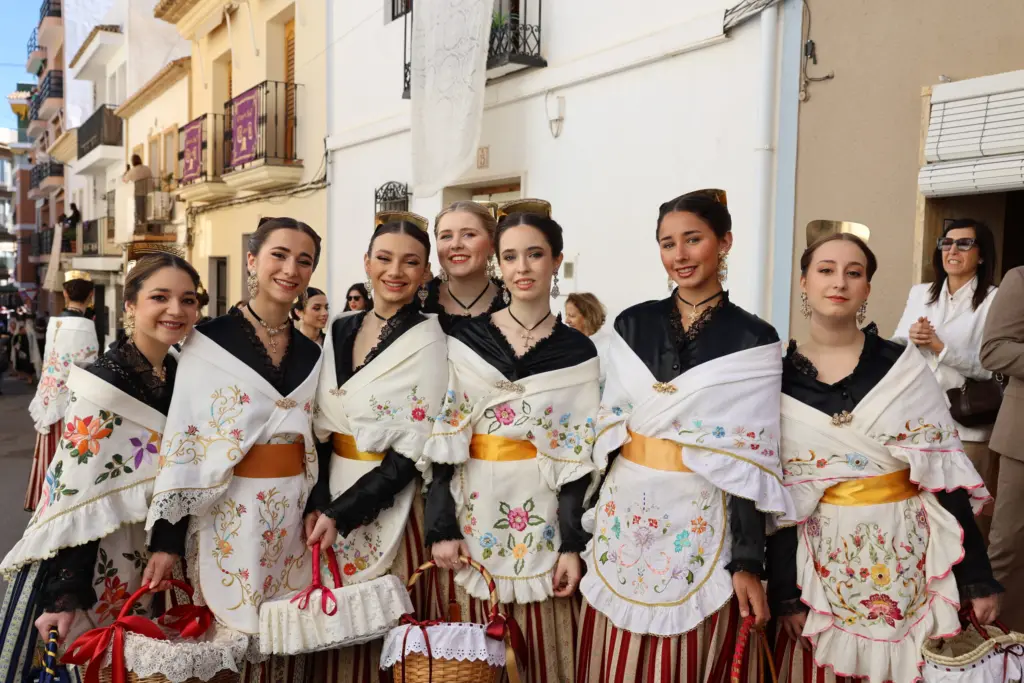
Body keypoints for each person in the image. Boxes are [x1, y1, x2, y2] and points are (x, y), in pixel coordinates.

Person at [767, 227, 1000, 683]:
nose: (839, 282)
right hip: (822, 567)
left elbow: (944, 477)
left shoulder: (903, 366)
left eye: (853, 273)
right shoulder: (776, 378)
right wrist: (785, 595)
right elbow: (782, 505)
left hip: (909, 561)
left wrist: (977, 579)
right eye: (826, 270)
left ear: (867, 289)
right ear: (804, 282)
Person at [577, 189, 791, 683]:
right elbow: (610, 423)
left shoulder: (753, 339)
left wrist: (747, 561)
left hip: (702, 510)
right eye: (667, 243)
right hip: (626, 506)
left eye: (693, 239)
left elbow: (748, 461)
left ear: (725, 242)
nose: (680, 255)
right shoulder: (632, 324)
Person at [0, 254, 200, 683]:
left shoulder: (180, 371)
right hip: (108, 550)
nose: (176, 310)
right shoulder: (104, 384)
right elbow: (78, 496)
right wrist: (65, 594)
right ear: (130, 304)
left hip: (165, 545)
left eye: (188, 300)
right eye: (160, 297)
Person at [425, 201, 600, 683]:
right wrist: (441, 525)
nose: (523, 267)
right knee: (468, 662)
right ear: (498, 263)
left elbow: (577, 459)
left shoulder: (579, 352)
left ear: (556, 260)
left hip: (544, 520)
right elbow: (444, 441)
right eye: (511, 256)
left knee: (541, 656)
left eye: (535, 254)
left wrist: (572, 544)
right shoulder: (465, 339)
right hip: (472, 513)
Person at [143, 217, 324, 683]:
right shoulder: (207, 342)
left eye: (304, 260)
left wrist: (318, 506)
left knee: (285, 637)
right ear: (252, 260)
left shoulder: (313, 353)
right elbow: (185, 441)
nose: (290, 269)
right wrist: (166, 540)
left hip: (292, 522)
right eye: (279, 255)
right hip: (226, 516)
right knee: (225, 644)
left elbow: (316, 439)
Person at [303, 211, 448, 683]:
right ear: (366, 262)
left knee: (386, 627)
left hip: (392, 498)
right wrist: (320, 500)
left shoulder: (431, 338)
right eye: (384, 258)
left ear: (426, 272)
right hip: (331, 490)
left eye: (411, 262)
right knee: (331, 621)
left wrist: (343, 511)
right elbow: (321, 430)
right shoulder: (339, 328)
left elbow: (413, 451)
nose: (395, 271)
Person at [892, 218, 999, 537]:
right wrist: (911, 338)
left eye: (964, 243)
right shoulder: (920, 293)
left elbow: (992, 367)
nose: (953, 250)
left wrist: (940, 348)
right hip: (918, 421)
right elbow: (895, 348)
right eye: (947, 243)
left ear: (981, 255)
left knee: (968, 519)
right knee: (919, 514)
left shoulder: (994, 299)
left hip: (967, 424)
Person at [25, 271, 99, 511]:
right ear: (90, 295)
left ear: (65, 293)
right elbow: (89, 367)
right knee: (70, 455)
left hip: (49, 395)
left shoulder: (53, 324)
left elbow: (49, 361)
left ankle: (43, 500)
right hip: (75, 401)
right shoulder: (88, 326)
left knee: (49, 449)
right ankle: (65, 504)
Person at [981, 264, 1024, 631]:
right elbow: (994, 350)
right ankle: (997, 644)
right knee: (1009, 547)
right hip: (1022, 444)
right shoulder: (1021, 278)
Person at [420, 200, 507, 332]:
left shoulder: (513, 302)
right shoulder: (418, 301)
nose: (456, 245)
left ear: (492, 245)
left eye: (469, 235)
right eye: (446, 236)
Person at [564, 292, 612, 392]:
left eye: (571, 316)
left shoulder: (608, 346)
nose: (566, 321)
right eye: (566, 315)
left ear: (588, 317)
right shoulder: (569, 345)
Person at [122, 154, 153, 225]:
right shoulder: (147, 169)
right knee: (148, 213)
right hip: (149, 194)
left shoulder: (132, 171)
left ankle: (140, 226)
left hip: (138, 194)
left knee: (138, 215)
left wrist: (126, 172)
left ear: (133, 162)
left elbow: (124, 180)